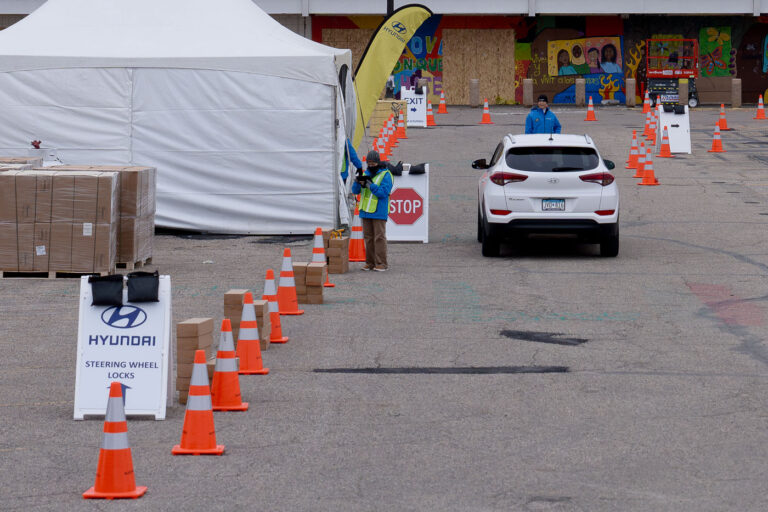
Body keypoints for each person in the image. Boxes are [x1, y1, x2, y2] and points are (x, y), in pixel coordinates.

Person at [351, 150, 393, 271]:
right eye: (369, 163)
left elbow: (383, 193)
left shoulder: (386, 175)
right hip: (365, 211)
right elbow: (355, 191)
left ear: (378, 162)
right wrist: (357, 182)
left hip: (379, 211)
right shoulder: (366, 172)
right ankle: (370, 263)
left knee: (379, 237)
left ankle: (381, 263)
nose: (371, 165)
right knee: (368, 238)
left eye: (373, 163)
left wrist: (369, 184)